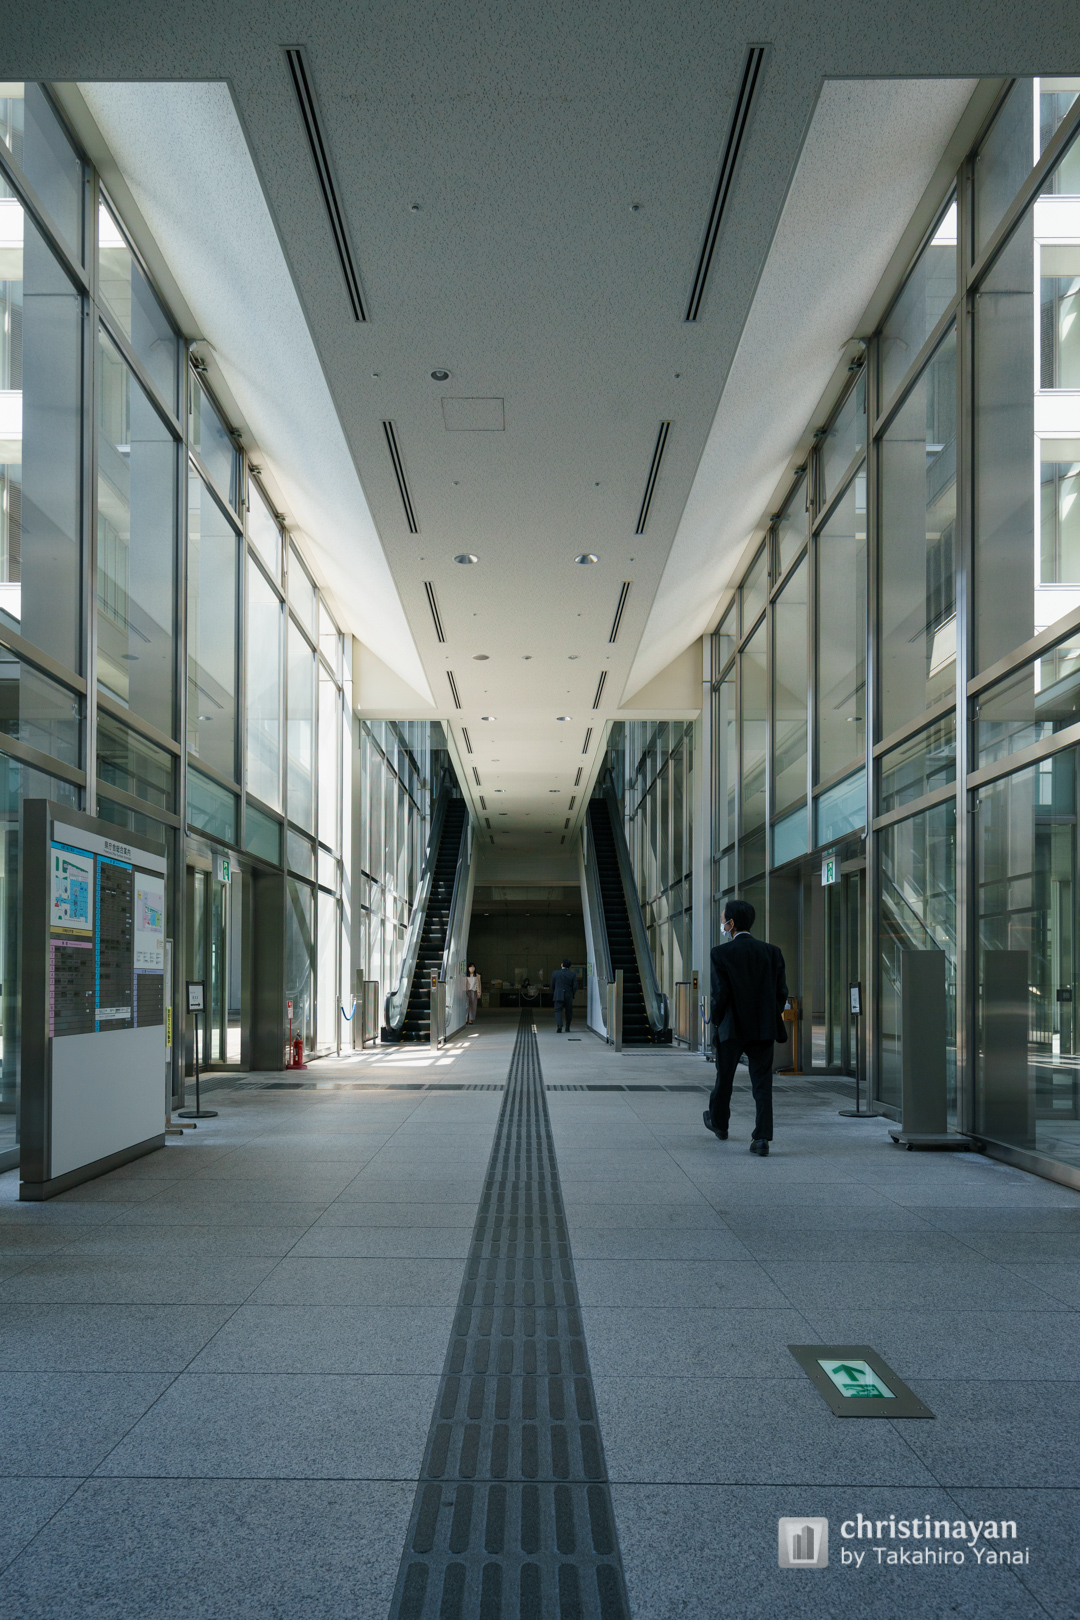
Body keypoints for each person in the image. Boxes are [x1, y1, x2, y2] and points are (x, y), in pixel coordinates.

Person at [705, 898, 789, 1156]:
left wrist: (716, 1022)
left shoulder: (720, 953)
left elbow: (720, 995)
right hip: (763, 1028)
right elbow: (781, 992)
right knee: (762, 1083)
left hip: (731, 1028)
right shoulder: (772, 952)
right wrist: (769, 1015)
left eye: (723, 920)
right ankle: (761, 1138)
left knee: (725, 1077)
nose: (722, 924)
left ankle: (720, 1124)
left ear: (731, 923)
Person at [550, 958, 579, 1033]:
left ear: (562, 964)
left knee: (558, 1011)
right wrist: (572, 994)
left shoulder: (555, 973)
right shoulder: (572, 974)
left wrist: (555, 992)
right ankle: (567, 1027)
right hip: (568, 995)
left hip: (558, 994)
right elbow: (575, 986)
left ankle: (559, 1025)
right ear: (569, 966)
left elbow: (552, 985)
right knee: (568, 1011)